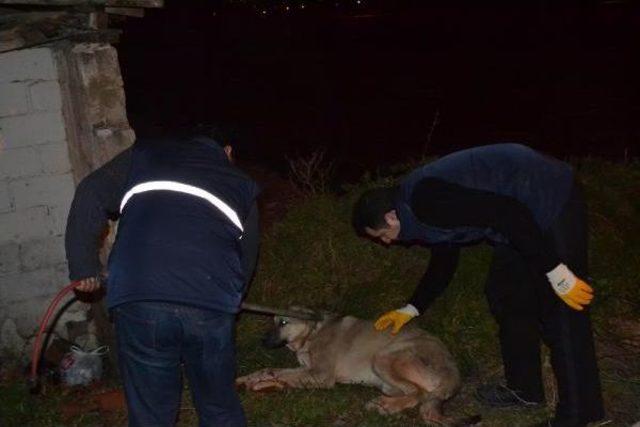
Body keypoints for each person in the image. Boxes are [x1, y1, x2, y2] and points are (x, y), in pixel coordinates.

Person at [352, 143, 603, 427]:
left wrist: (556, 270)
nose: (387, 242)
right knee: (506, 293)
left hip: (547, 195)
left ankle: (580, 415)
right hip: (517, 221)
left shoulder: (425, 200)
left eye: (383, 235)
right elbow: (444, 259)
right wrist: (412, 308)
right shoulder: (419, 211)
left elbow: (508, 213)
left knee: (561, 308)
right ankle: (525, 391)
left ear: (391, 217)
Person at [65, 134, 259, 427]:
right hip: (209, 301)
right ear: (227, 151)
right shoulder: (240, 182)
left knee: (151, 415)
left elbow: (90, 192)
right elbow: (247, 256)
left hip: (140, 297)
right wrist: (231, 300)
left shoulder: (143, 156)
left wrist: (83, 267)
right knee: (219, 406)